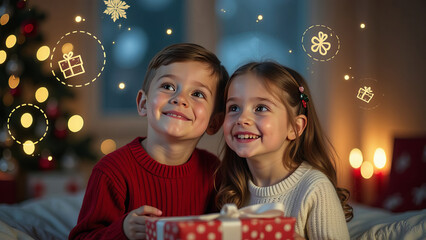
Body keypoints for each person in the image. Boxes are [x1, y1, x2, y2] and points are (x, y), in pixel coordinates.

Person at [69, 43, 229, 240]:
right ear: (143, 103)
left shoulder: (213, 172)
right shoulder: (111, 172)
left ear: (214, 122)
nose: (180, 99)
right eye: (168, 86)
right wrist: (123, 230)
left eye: (197, 94)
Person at [215, 61, 352, 239]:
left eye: (261, 108)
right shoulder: (232, 189)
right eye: (233, 108)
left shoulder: (315, 188)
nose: (242, 118)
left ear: (295, 127)